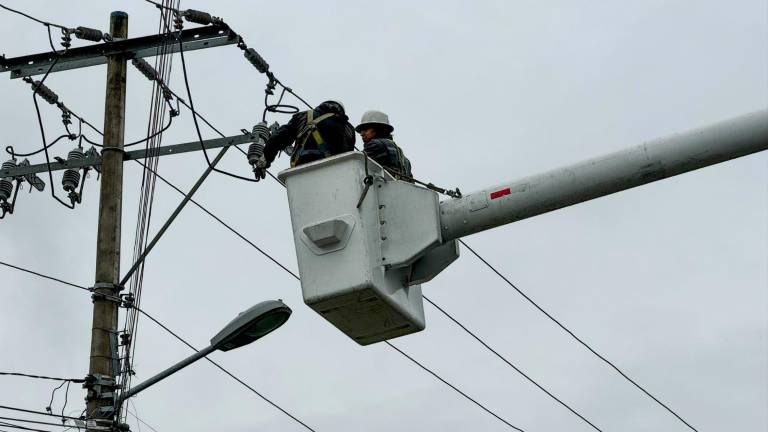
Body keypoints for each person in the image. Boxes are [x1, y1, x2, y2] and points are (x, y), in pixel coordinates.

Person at [253, 100, 356, 180]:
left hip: (302, 170)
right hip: (335, 174)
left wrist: (264, 162)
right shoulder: (349, 129)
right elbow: (349, 159)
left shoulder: (304, 117)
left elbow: (278, 138)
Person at [355, 110, 412, 180]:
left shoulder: (374, 145)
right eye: (361, 131)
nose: (362, 134)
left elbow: (358, 165)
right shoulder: (405, 160)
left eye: (365, 130)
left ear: (377, 129)